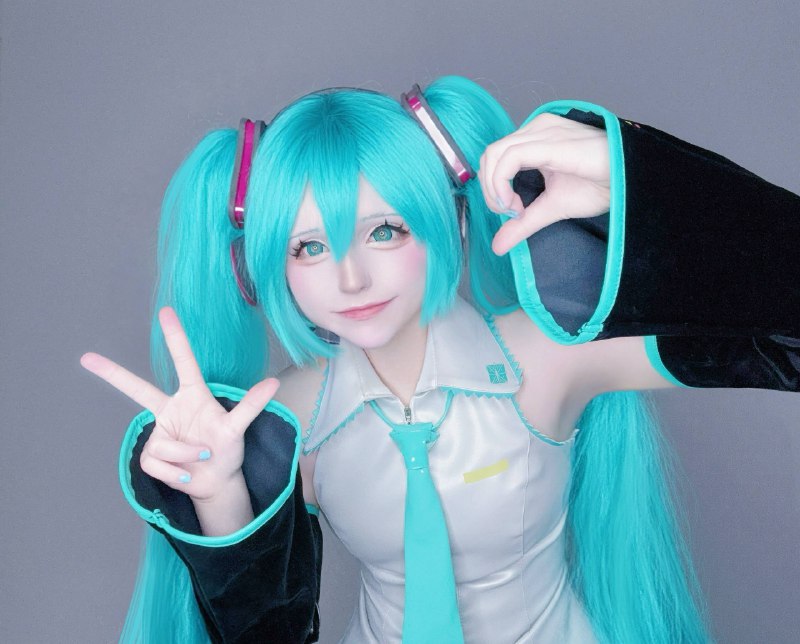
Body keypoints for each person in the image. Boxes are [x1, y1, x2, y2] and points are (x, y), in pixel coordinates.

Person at [81, 76, 800, 643]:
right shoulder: (285, 420)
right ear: (263, 270)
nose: (350, 279)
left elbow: (782, 337)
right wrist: (218, 493)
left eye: (385, 231)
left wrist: (638, 184)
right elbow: (267, 630)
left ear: (453, 221)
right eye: (310, 247)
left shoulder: (547, 355)